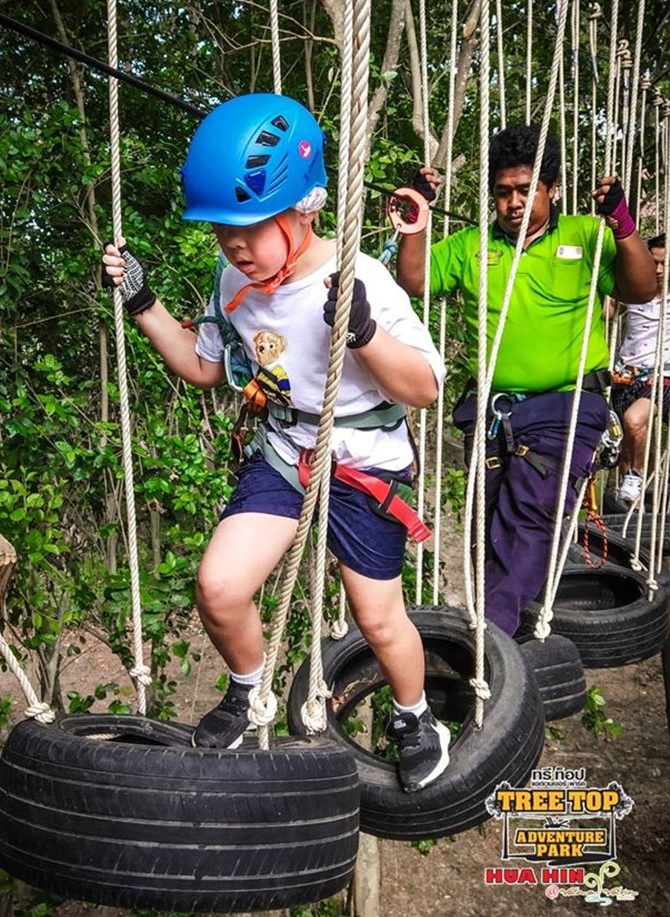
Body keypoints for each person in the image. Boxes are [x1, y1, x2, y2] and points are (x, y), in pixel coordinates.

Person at [103, 93, 450, 792]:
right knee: (220, 586)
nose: (233, 245)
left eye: (250, 227)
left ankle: (418, 717)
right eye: (220, 231)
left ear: (306, 207)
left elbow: (425, 387)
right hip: (287, 456)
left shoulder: (363, 280)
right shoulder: (236, 279)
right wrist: (144, 305)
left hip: (362, 467)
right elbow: (205, 367)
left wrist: (364, 334)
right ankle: (248, 688)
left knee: (378, 621)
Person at [396, 123, 656, 636]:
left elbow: (642, 289)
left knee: (528, 514)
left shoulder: (585, 235)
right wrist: (417, 218)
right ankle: (503, 627)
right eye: (503, 192)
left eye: (525, 190)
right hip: (494, 412)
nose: (513, 202)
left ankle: (489, 641)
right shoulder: (473, 246)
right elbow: (416, 280)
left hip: (567, 405)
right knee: (487, 525)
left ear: (551, 189)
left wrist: (623, 224)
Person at [610, 233, 670, 504]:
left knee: (635, 420)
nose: (657, 271)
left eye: (664, 264)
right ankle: (628, 508)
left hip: (661, 378)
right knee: (624, 440)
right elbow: (607, 313)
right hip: (625, 374)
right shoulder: (635, 290)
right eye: (653, 263)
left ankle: (637, 473)